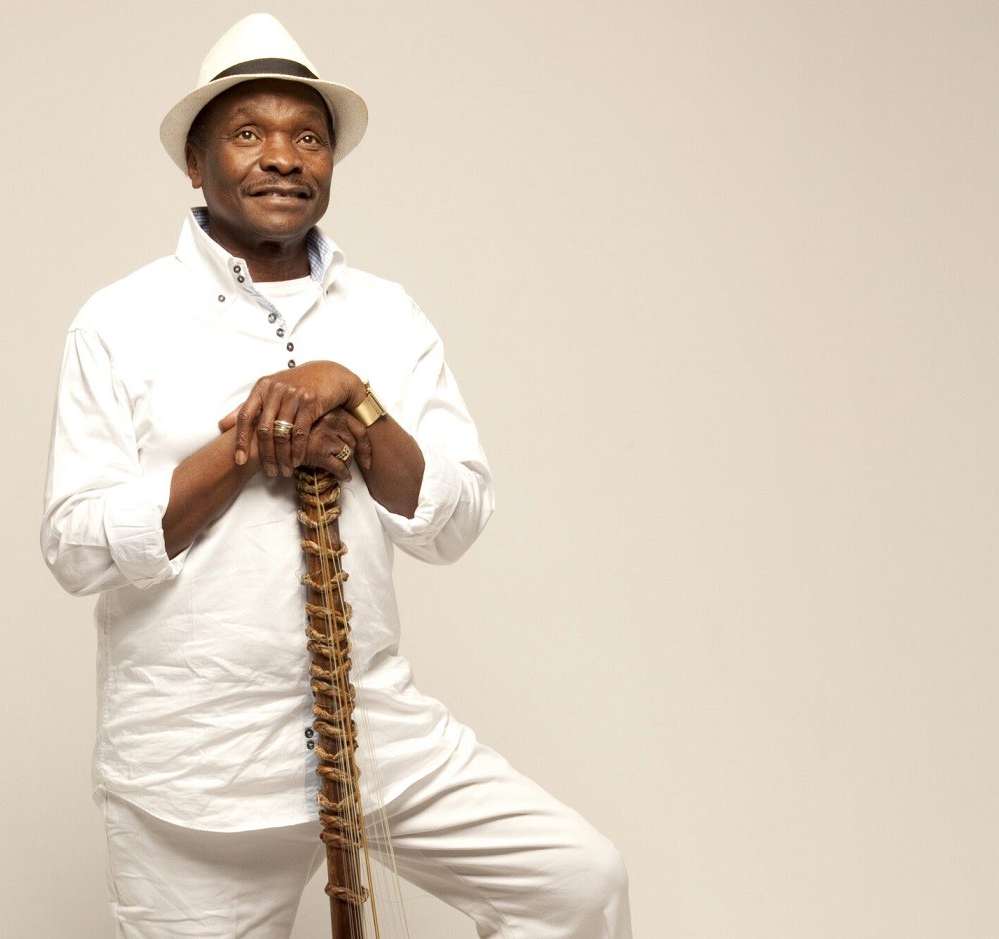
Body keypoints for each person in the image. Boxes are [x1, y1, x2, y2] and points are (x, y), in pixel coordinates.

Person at [41, 13, 631, 938]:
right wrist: (251, 444)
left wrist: (356, 400)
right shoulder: (119, 323)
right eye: (248, 133)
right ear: (194, 164)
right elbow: (75, 546)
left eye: (307, 137)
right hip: (197, 767)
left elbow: (454, 518)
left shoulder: (388, 317)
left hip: (375, 734)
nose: (283, 157)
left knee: (576, 883)